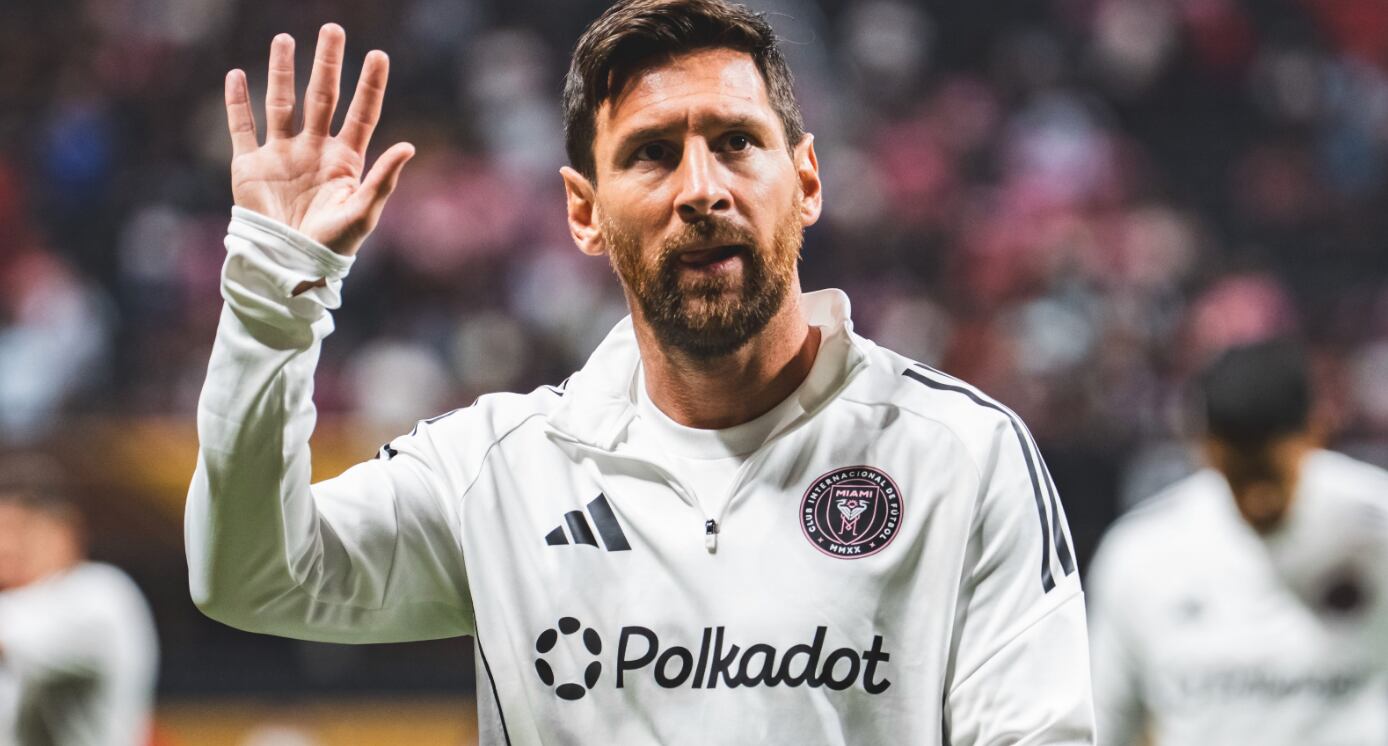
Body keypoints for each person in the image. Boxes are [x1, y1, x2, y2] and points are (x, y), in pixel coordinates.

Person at [184, 1, 1095, 742]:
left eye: (736, 141)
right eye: (653, 152)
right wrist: (273, 295)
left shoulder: (960, 454)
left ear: (808, 180)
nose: (703, 189)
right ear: (584, 211)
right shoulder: (500, 473)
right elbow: (251, 574)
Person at [1087, 339, 1388, 746]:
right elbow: (1105, 724)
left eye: (1273, 476)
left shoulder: (1378, 524)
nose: (1258, 499)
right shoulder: (1140, 553)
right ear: (1206, 450)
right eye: (1239, 477)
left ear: (1314, 434)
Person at [0, 458, 159, 746]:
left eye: (18, 529)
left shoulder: (100, 593)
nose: (6, 546)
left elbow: (10, 633)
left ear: (64, 529)